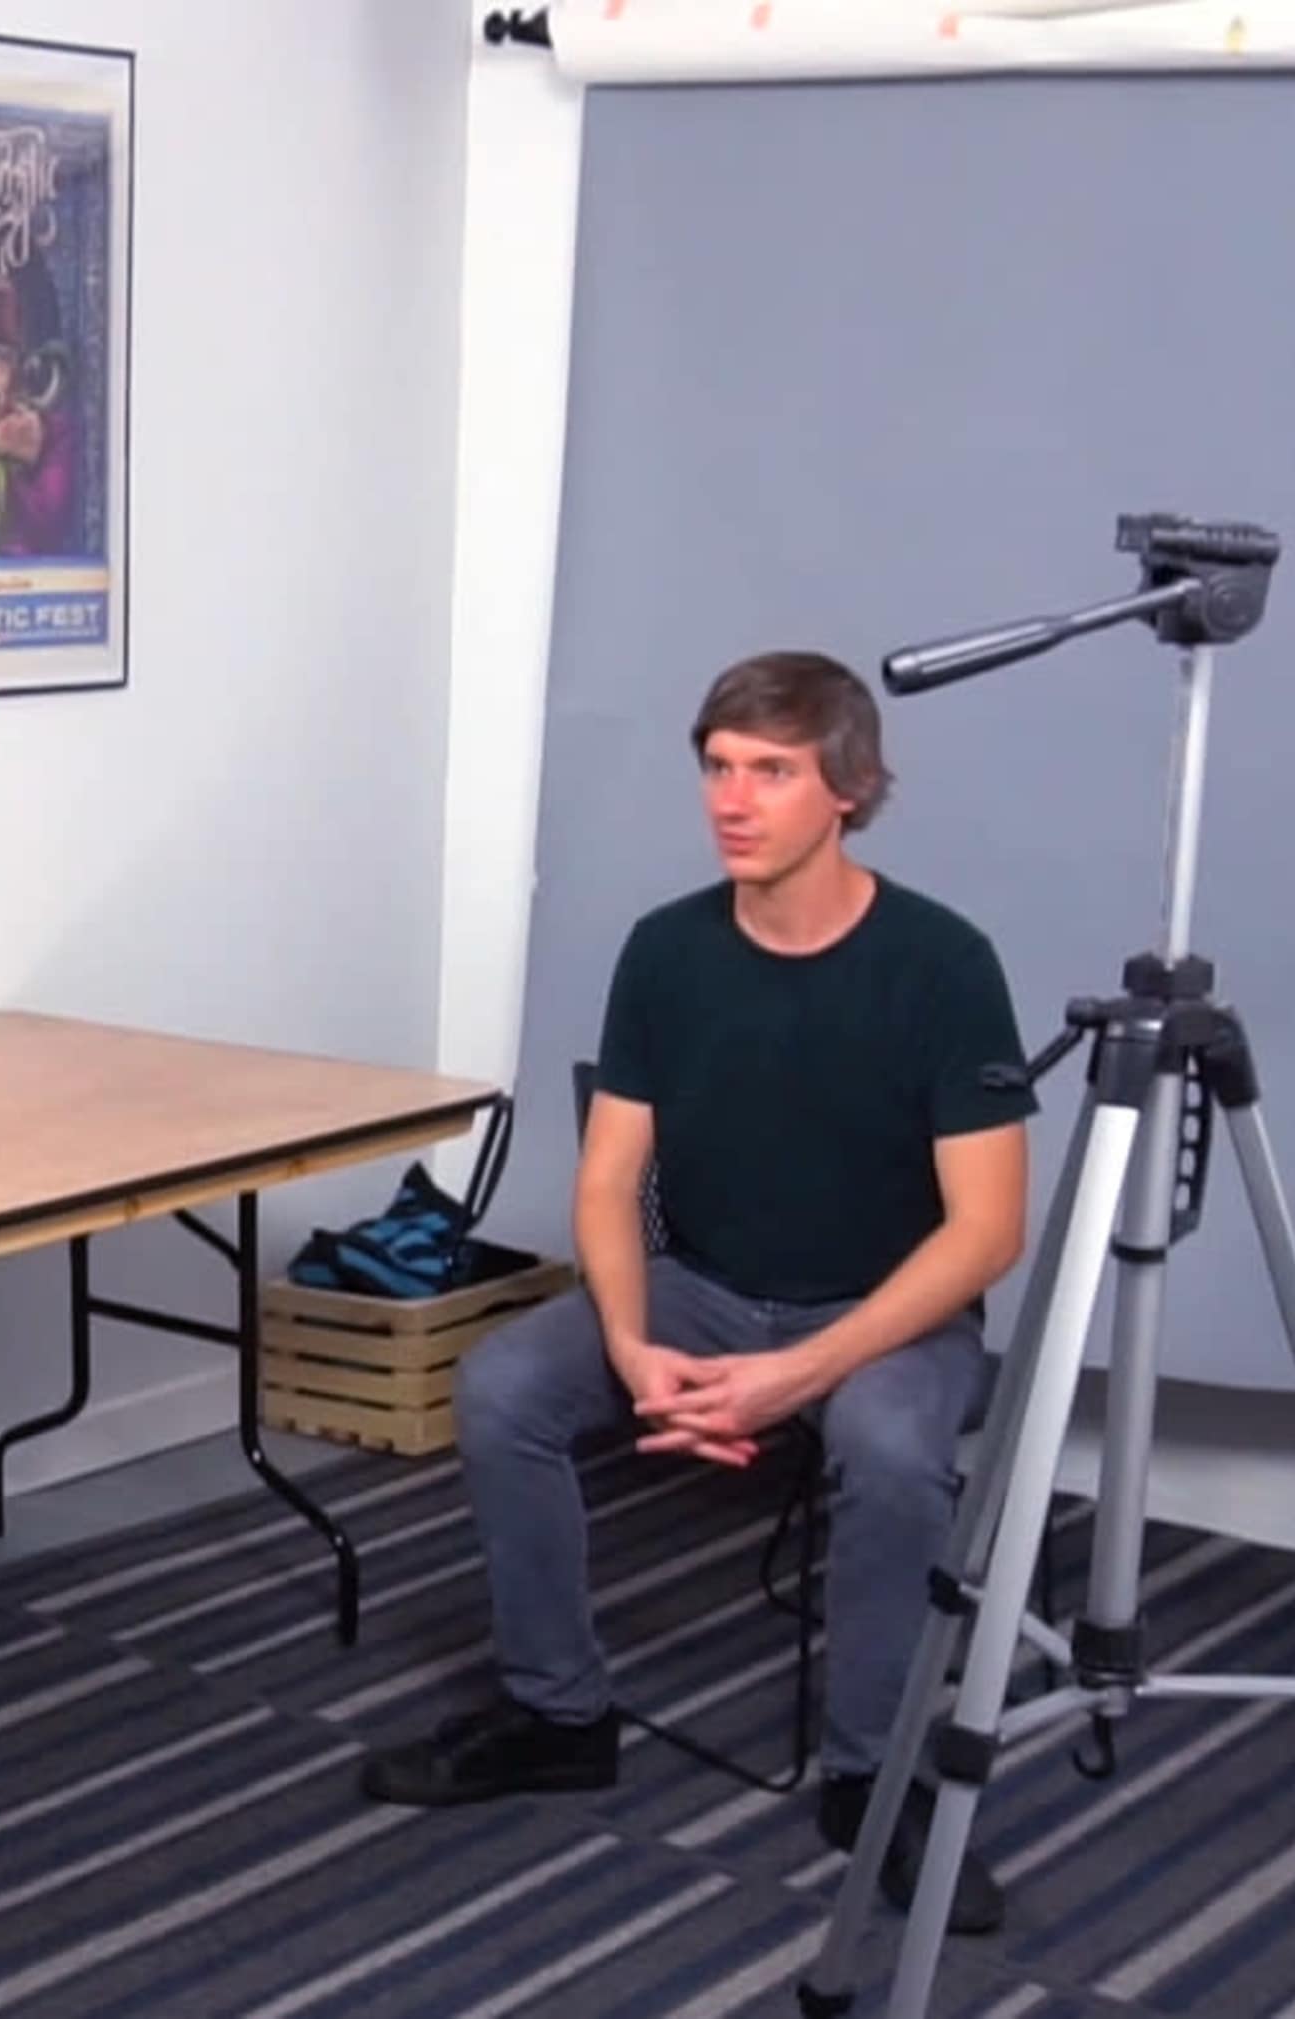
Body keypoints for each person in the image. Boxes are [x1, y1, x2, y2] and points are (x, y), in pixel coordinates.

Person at [361, 652, 1036, 1934]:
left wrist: (803, 1372)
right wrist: (628, 1345)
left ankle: (873, 1779)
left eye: (771, 772)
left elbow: (988, 1231)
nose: (733, 800)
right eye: (719, 768)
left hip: (889, 1315)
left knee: (894, 1450)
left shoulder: (943, 963)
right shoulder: (667, 951)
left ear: (847, 789)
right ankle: (558, 1714)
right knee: (502, 1387)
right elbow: (610, 1182)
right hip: (706, 1292)